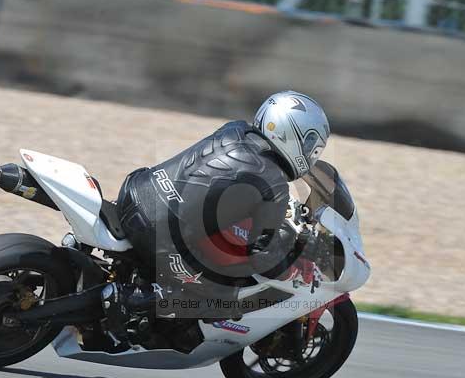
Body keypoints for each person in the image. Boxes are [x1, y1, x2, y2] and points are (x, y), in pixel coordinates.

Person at [102, 90, 331, 345]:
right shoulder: (274, 182)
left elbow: (219, 186)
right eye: (310, 144)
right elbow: (260, 255)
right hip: (158, 235)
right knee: (224, 298)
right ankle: (131, 299)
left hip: (136, 191)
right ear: (292, 135)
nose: (311, 153)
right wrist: (289, 263)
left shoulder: (236, 130)